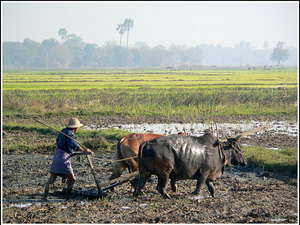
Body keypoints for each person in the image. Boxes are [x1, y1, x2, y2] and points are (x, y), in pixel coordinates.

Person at [43, 118, 92, 201]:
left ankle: (44, 197)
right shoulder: (70, 134)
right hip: (64, 158)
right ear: (76, 128)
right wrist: (83, 150)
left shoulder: (63, 131)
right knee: (72, 179)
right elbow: (73, 144)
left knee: (52, 179)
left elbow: (58, 141)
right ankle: (67, 198)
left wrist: (70, 151)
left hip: (57, 155)